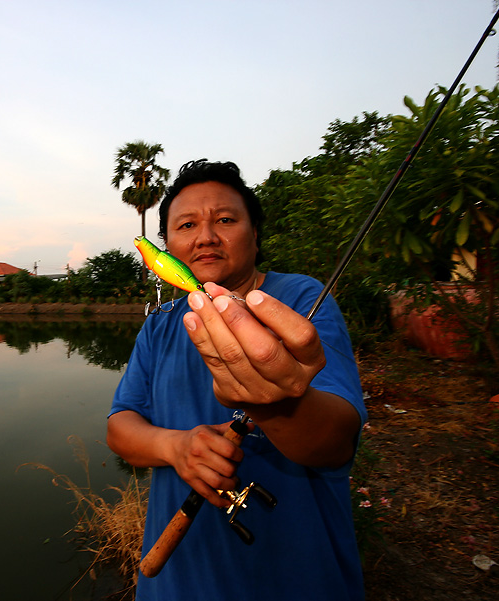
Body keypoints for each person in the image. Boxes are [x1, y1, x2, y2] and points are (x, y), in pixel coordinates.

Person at [107, 159, 367, 600]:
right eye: (187, 224)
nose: (206, 236)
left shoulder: (303, 299)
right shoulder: (158, 325)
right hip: (175, 585)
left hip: (300, 581)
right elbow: (120, 427)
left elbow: (337, 443)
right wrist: (176, 447)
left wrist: (275, 402)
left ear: (256, 234)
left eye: (225, 220)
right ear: (167, 247)